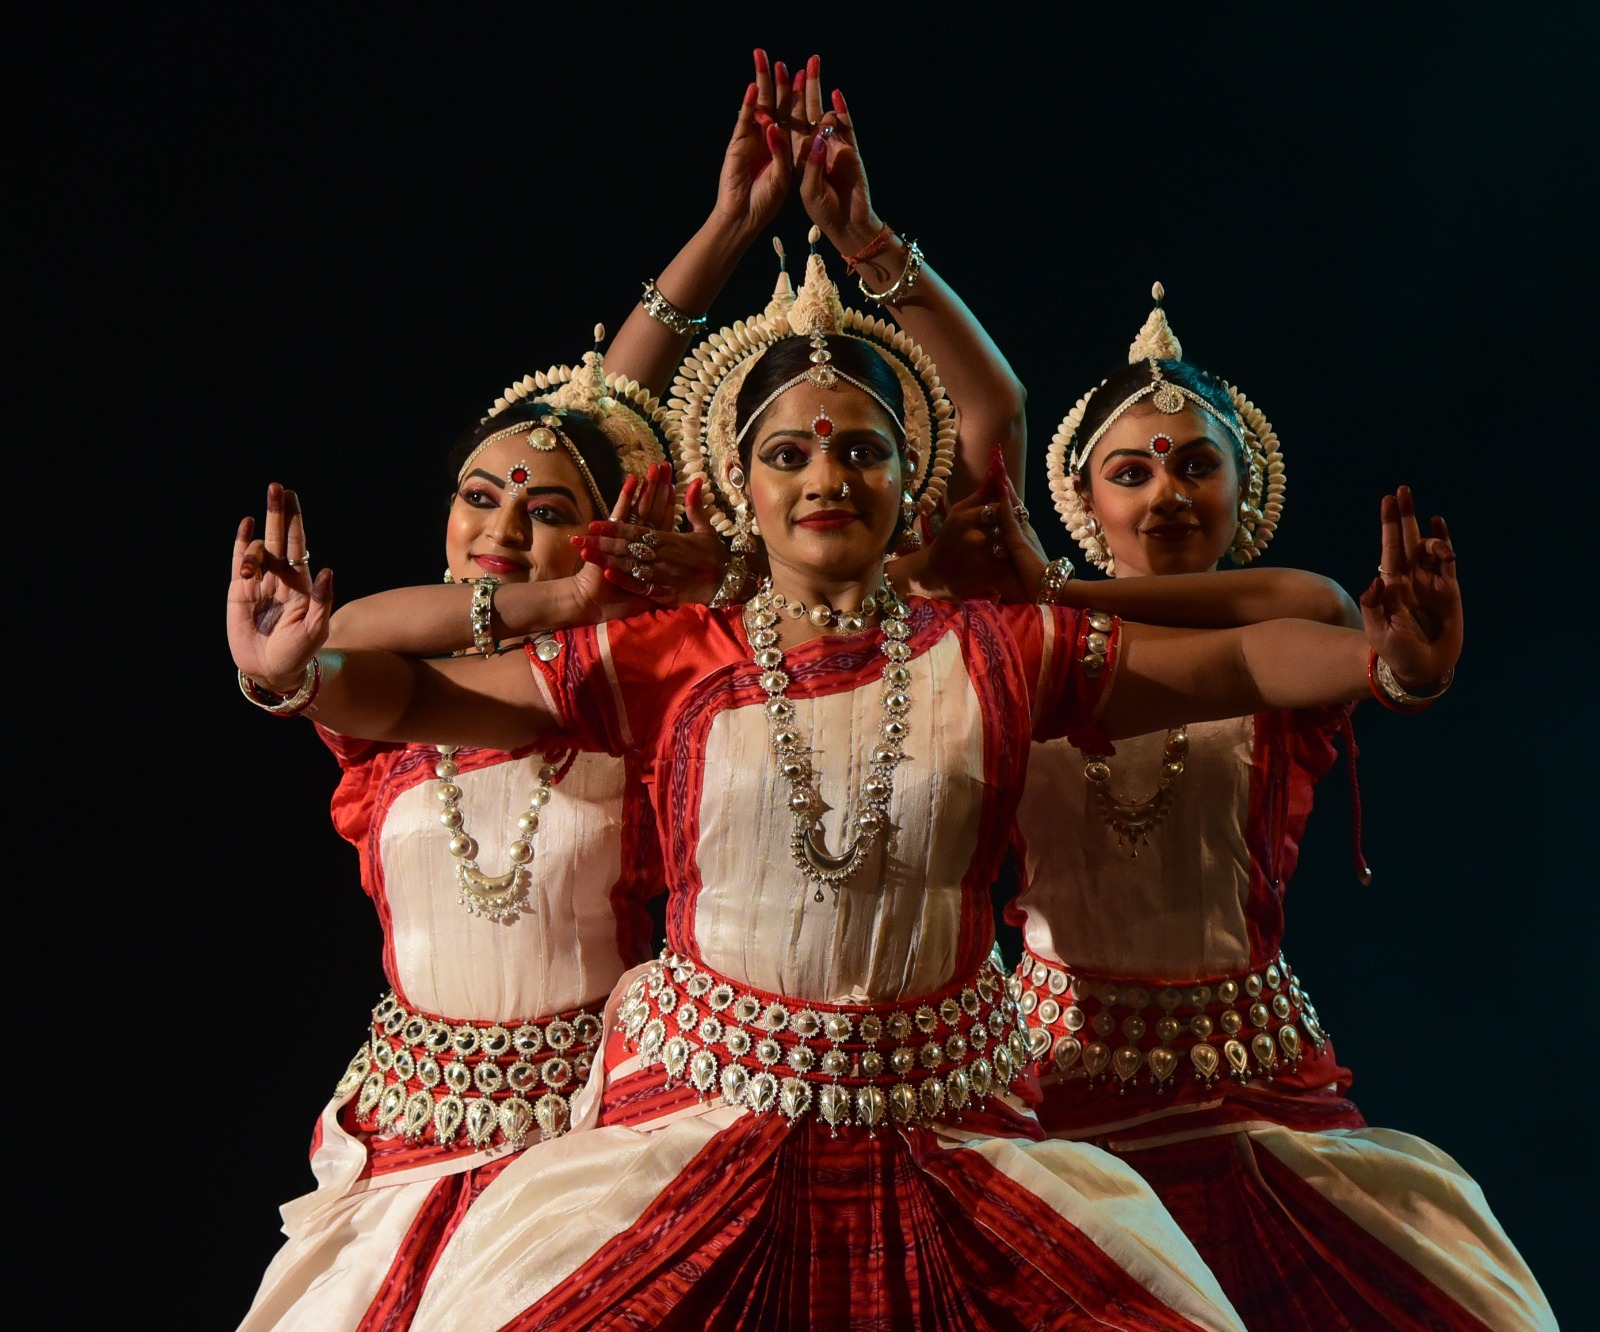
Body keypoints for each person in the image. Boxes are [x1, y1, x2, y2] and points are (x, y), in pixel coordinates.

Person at [227, 194, 1464, 1328]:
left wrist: (1384, 666)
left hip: (954, 1136)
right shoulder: (669, 654)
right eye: (789, 456)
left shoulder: (1002, 647)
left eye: (862, 452)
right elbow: (422, 695)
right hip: (700, 1121)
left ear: (911, 484)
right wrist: (298, 673)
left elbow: (1242, 661)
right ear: (738, 488)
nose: (827, 476)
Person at [232, 63, 800, 1332]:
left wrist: (726, 240)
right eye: (478, 497)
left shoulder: (641, 683)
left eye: (544, 511)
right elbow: (343, 651)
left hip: (598, 1142)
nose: (499, 527)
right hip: (401, 1142)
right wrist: (287, 674)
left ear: (607, 535)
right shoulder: (387, 681)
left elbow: (611, 432)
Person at [993, 285, 1554, 1329]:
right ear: (1084, 500)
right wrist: (1040, 604)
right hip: (1054, 1081)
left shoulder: (1289, 629)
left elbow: (1338, 628)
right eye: (1132, 472)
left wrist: (1413, 674)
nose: (1167, 493)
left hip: (1243, 1080)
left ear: (1244, 490)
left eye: (1196, 467)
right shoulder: (1021, 652)